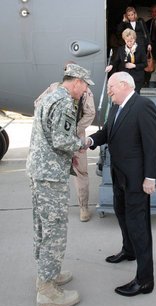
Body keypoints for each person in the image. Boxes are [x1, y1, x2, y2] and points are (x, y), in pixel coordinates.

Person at [86, 71, 156, 296]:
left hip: (138, 180)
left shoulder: (143, 105)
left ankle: (145, 280)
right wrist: (90, 140)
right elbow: (108, 133)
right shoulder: (117, 107)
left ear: (123, 85)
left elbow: (153, 143)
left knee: (139, 226)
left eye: (111, 87)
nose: (108, 92)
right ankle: (129, 251)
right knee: (121, 214)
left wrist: (150, 177)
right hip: (119, 177)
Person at [26, 63, 94, 306]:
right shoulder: (65, 101)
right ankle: (47, 291)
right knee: (54, 229)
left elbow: (47, 136)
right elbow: (62, 139)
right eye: (85, 85)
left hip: (39, 170)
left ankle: (47, 274)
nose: (85, 90)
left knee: (43, 226)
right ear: (75, 81)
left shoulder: (50, 96)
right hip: (51, 176)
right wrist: (82, 142)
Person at [34, 65, 96, 222]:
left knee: (81, 172)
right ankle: (55, 210)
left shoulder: (85, 92)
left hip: (76, 134)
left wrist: (74, 130)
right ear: (75, 80)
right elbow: (38, 104)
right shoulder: (54, 90)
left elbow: (90, 113)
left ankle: (83, 207)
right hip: (64, 140)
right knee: (57, 172)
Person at [105, 28, 147, 94]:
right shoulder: (121, 49)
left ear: (135, 39)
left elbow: (145, 64)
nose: (129, 43)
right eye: (127, 41)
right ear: (124, 40)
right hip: (124, 78)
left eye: (131, 40)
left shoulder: (141, 49)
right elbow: (116, 61)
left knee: (134, 96)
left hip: (137, 78)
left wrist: (134, 65)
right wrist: (111, 66)